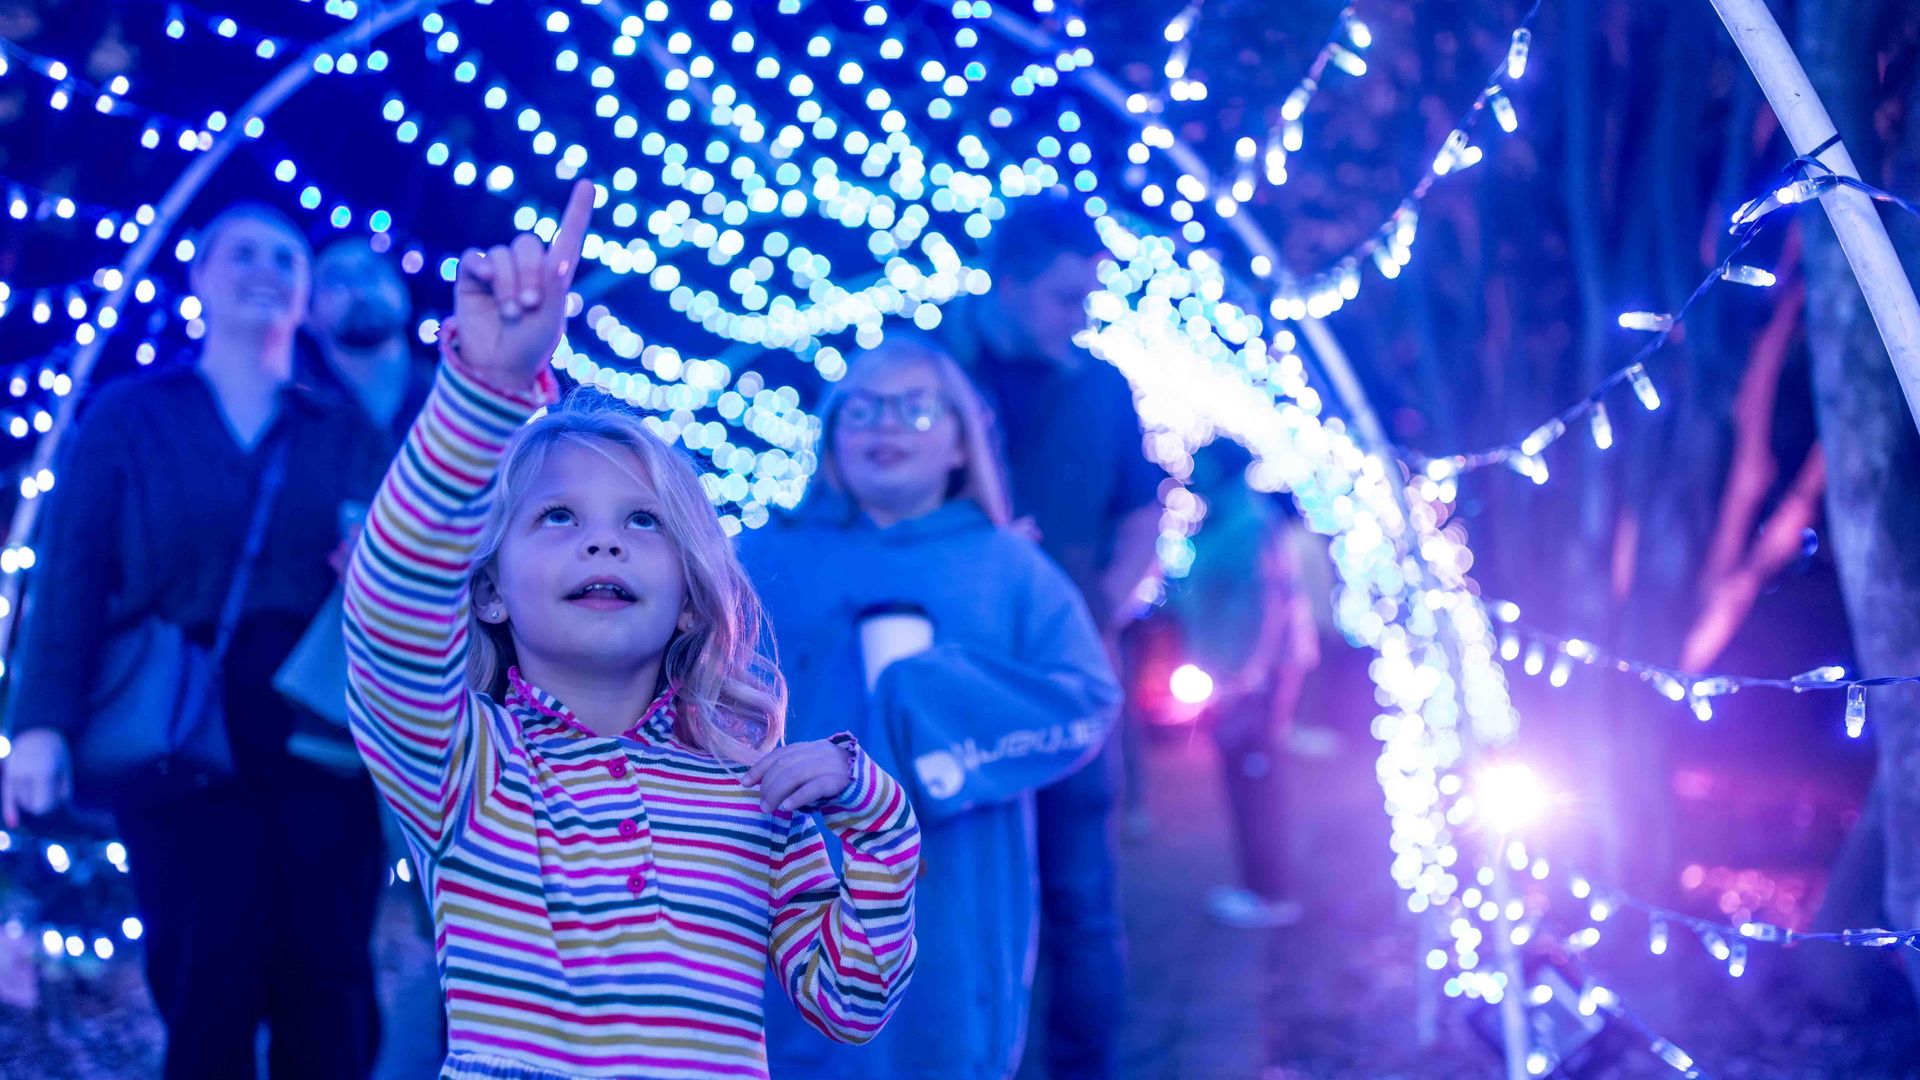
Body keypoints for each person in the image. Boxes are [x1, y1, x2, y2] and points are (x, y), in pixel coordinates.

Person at [342, 181, 921, 1080]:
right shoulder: (464, 767)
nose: (604, 536)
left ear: (690, 600)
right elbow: (388, 606)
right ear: (490, 593)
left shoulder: (749, 796)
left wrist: (876, 818)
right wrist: (487, 389)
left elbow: (852, 1002)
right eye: (557, 518)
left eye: (643, 522)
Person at [0, 203, 391, 1077]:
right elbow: (70, 570)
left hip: (318, 725)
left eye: (286, 256)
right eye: (241, 251)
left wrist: (370, 561)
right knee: (206, 975)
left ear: (307, 293)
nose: (265, 267)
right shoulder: (130, 415)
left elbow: (400, 572)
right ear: (199, 277)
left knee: (328, 981)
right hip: (175, 719)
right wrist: (40, 724)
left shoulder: (343, 429)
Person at [743, 335, 1121, 1080]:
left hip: (951, 870)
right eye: (863, 410)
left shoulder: (1009, 567)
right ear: (830, 432)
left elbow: (1085, 699)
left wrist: (945, 709)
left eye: (915, 410)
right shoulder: (758, 559)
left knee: (936, 1036)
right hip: (792, 865)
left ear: (959, 441)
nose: (886, 426)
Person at [944, 194, 1162, 1078]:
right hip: (946, 682)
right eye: (1066, 297)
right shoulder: (922, 374)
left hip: (1065, 683)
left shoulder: (1101, 385)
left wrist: (1102, 608)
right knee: (948, 898)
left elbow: (1140, 503)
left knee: (1080, 896)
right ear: (1008, 281)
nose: (1080, 317)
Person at [1165, 446, 1319, 929]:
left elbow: (1265, 603)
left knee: (1255, 779)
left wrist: (1247, 674)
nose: (1192, 476)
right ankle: (1261, 887)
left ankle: (1271, 893)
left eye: (1201, 466)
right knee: (1245, 777)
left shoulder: (1246, 523)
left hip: (1250, 678)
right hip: (1238, 676)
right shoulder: (1228, 518)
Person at [308, 237, 434, 445]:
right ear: (307, 315)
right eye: (336, 281)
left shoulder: (453, 398)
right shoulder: (293, 420)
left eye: (372, 273)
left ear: (402, 289)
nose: (359, 291)